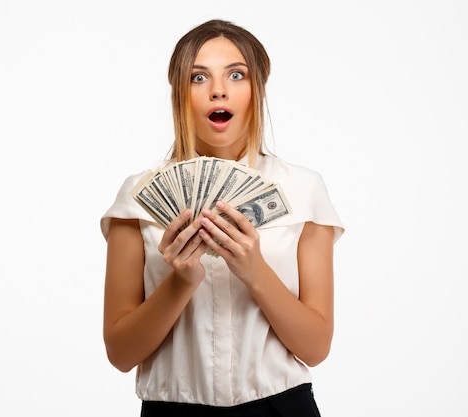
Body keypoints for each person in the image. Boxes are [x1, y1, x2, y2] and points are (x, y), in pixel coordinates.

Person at [100, 19, 344, 416]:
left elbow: (316, 348)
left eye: (236, 74)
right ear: (179, 93)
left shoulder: (304, 191)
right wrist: (180, 281)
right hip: (173, 411)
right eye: (198, 77)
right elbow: (120, 353)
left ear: (258, 89)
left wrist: (254, 270)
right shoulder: (138, 197)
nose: (218, 89)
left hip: (280, 409)